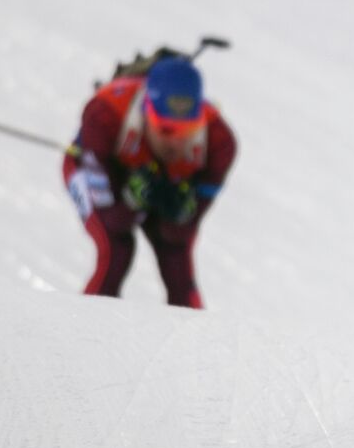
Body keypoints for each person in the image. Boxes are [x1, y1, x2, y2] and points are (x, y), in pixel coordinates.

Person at [62, 52, 236, 308]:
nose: (176, 142)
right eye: (165, 128)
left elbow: (178, 234)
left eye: (187, 130)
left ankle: (197, 345)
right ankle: (84, 332)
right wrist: (133, 201)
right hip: (100, 169)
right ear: (146, 112)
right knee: (117, 250)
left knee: (176, 258)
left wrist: (179, 212)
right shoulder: (105, 116)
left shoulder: (220, 143)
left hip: (162, 181)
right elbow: (113, 221)